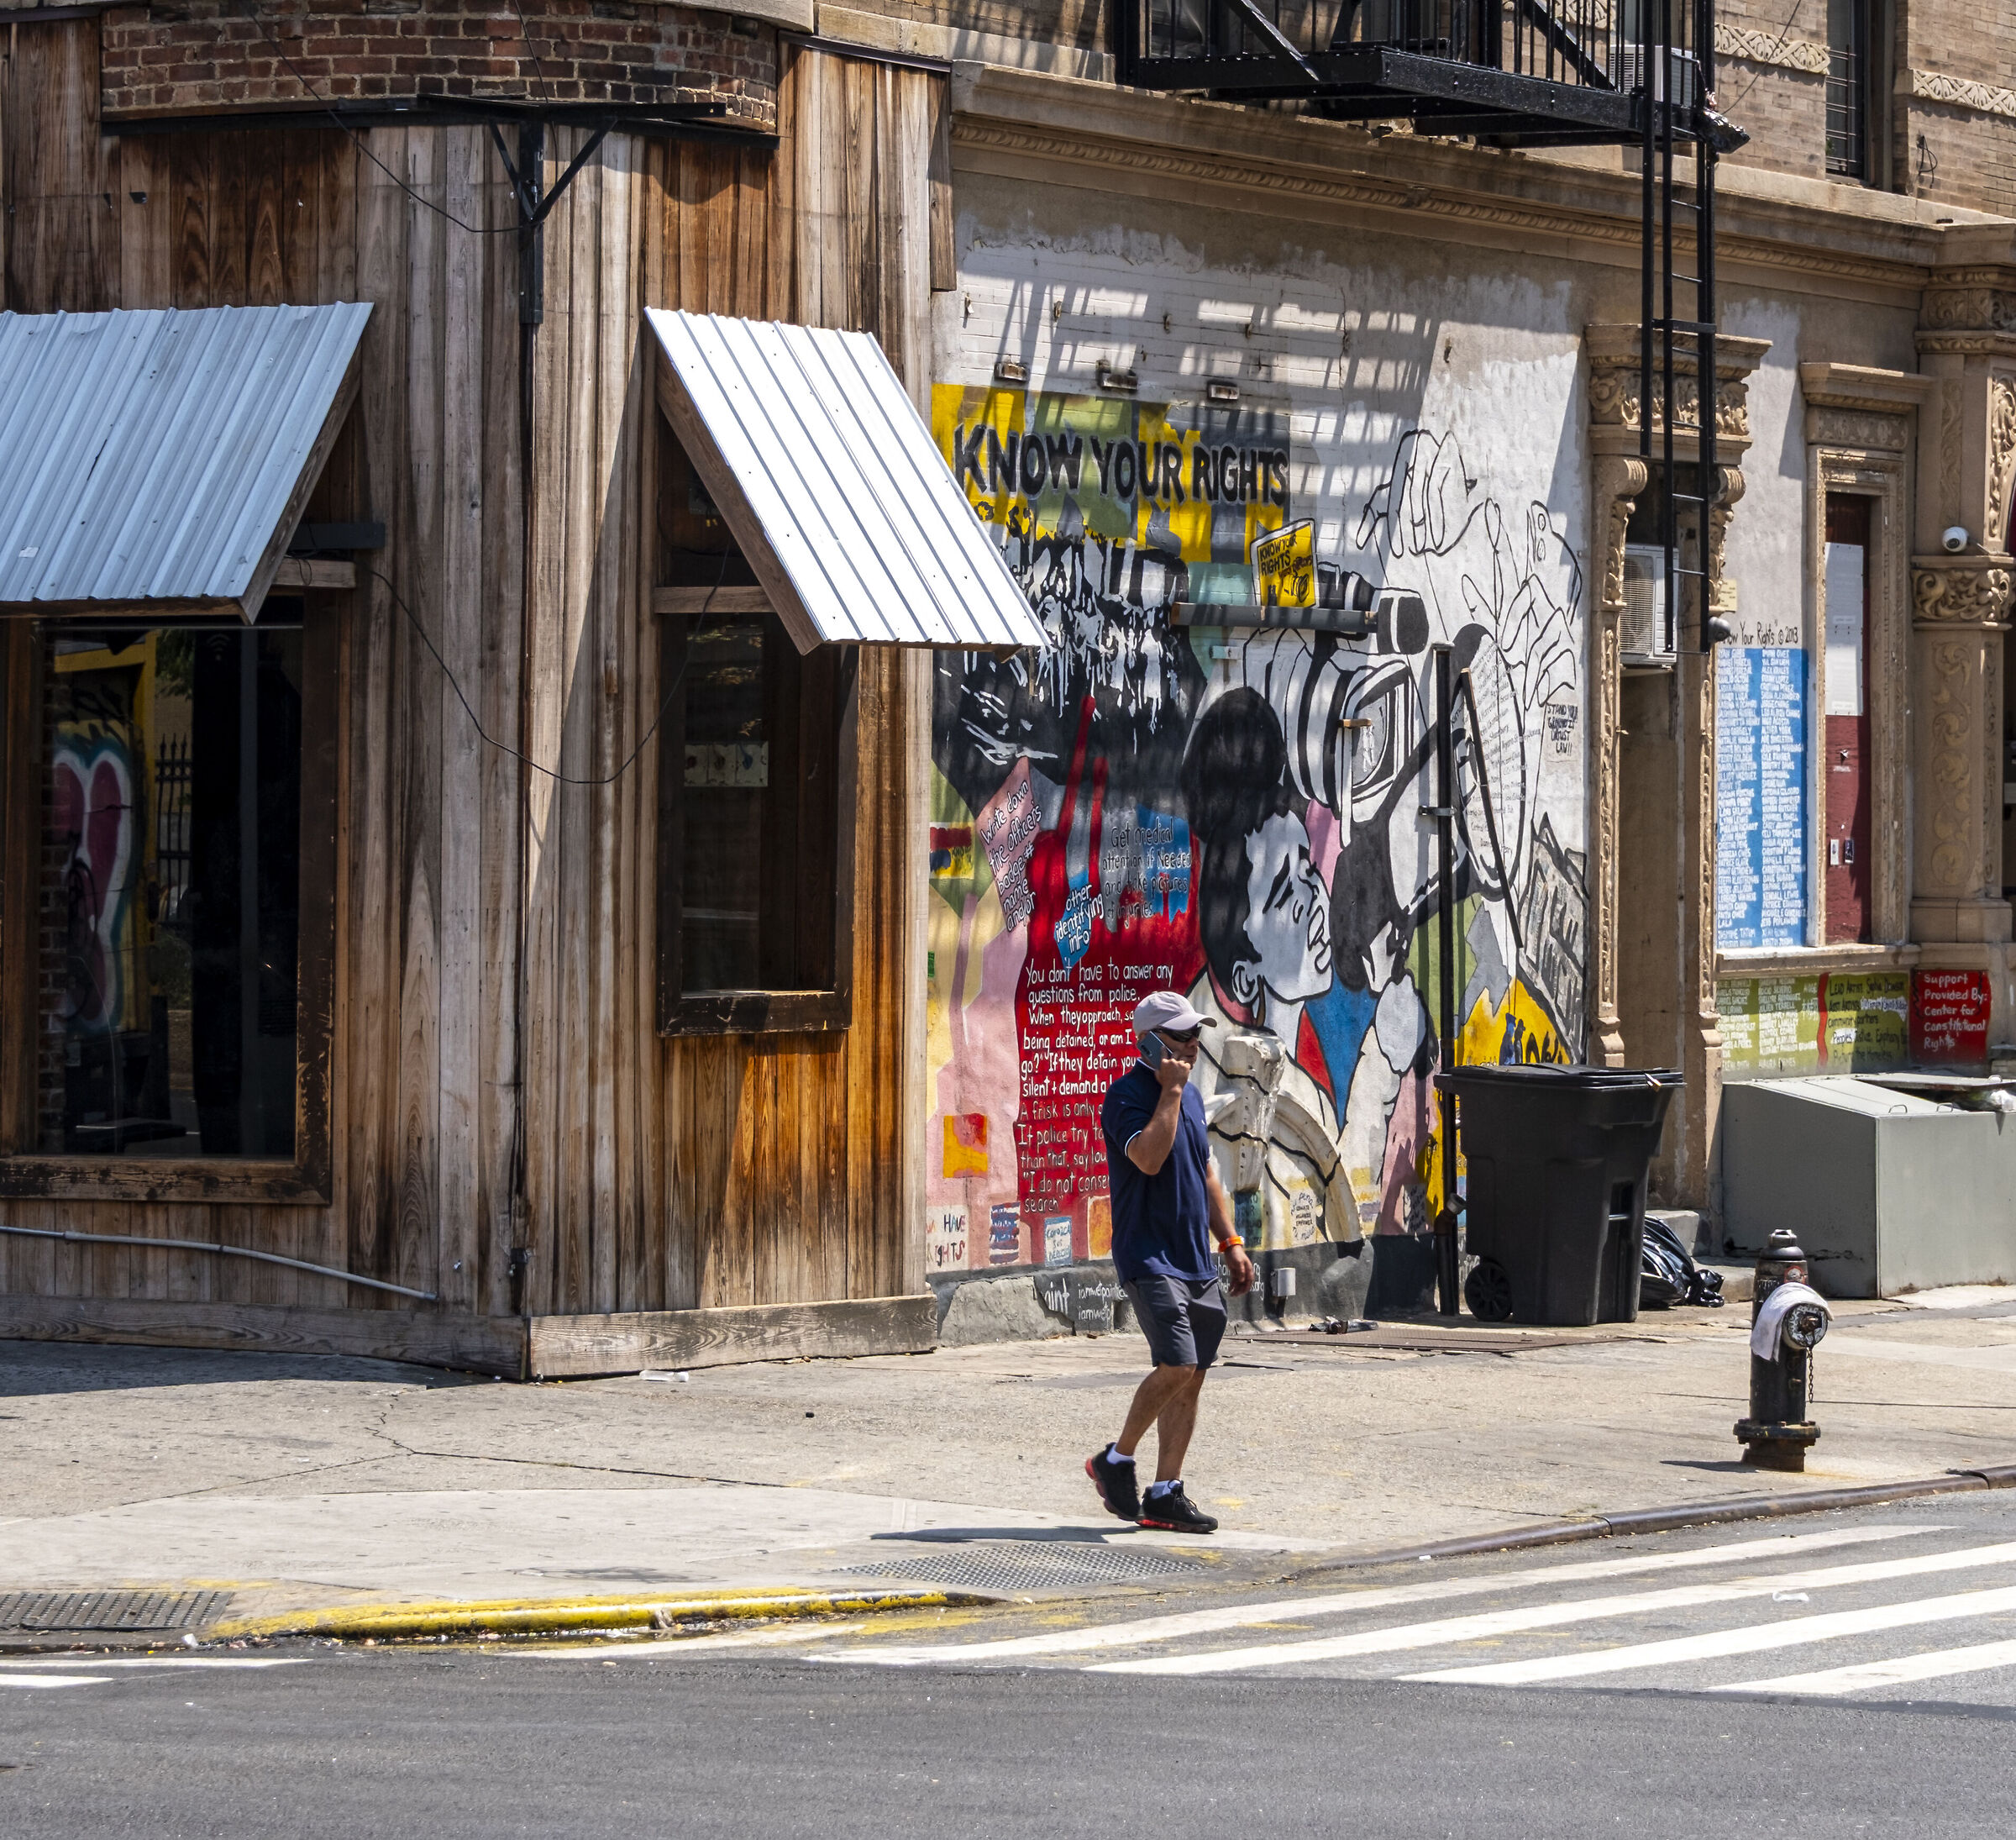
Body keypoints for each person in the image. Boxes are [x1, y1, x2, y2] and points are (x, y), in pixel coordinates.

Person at [1087, 990, 1256, 1534]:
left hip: (1195, 1259)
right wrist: (1172, 1091)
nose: (1192, 1045)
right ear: (1150, 1043)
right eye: (1181, 1037)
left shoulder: (1191, 1099)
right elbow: (1149, 1158)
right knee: (1177, 1364)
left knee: (1193, 1376)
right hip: (1149, 1257)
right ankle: (1115, 1460)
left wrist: (1231, 1243)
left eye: (1195, 1035)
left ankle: (1165, 1491)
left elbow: (1205, 1174)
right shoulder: (1126, 1097)